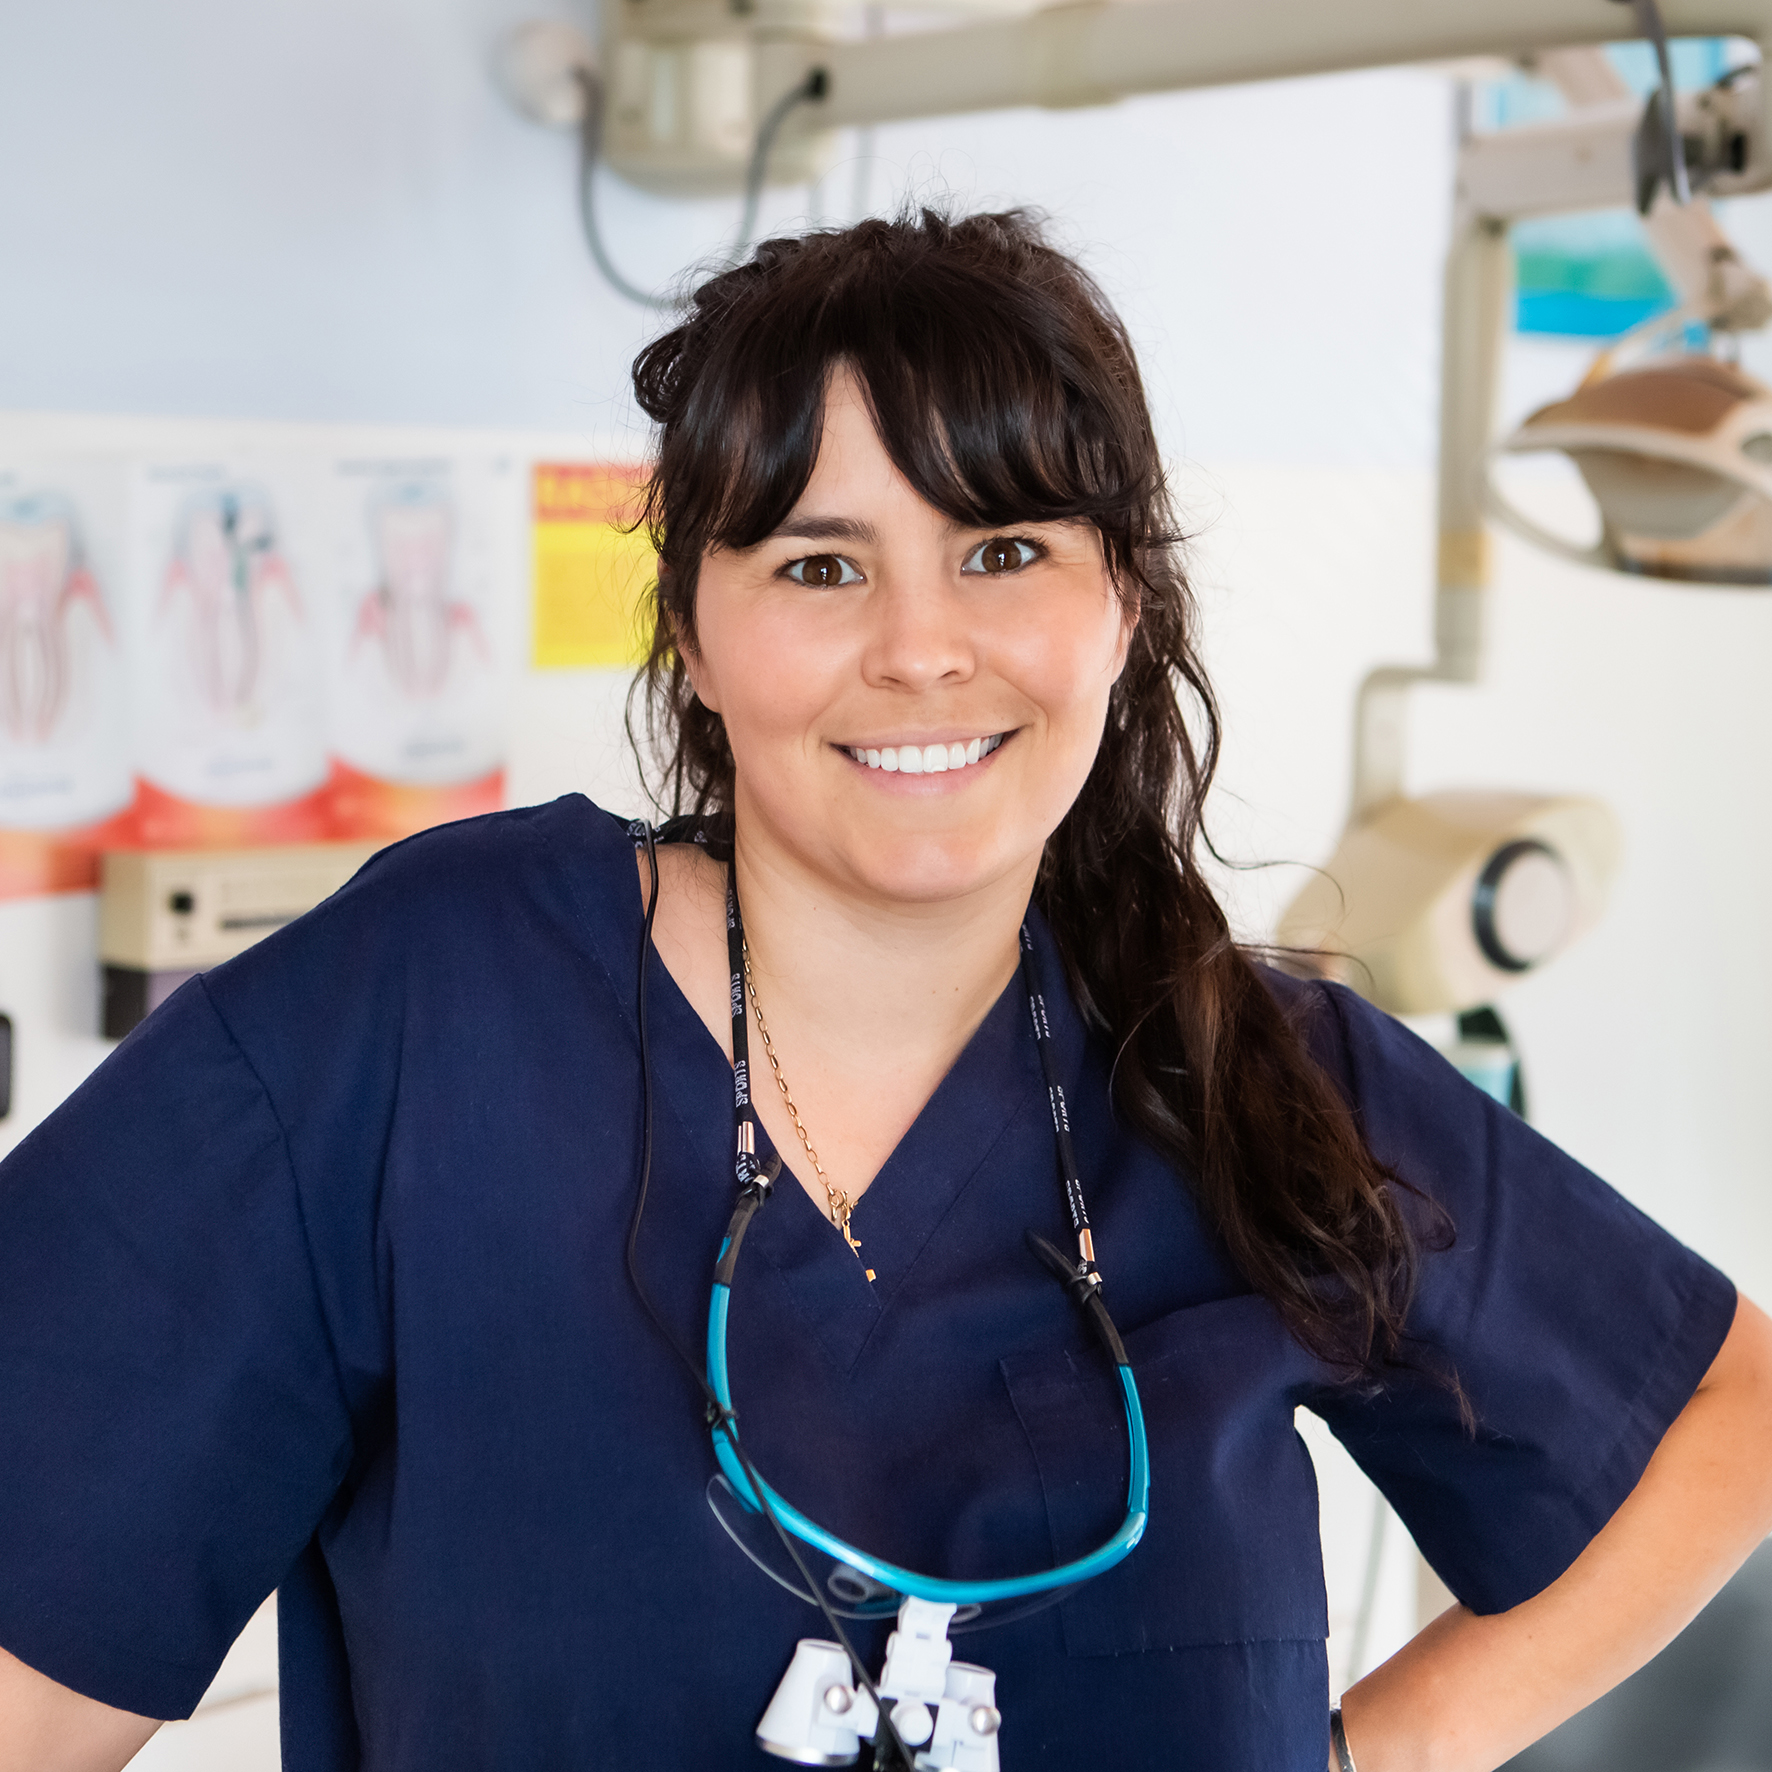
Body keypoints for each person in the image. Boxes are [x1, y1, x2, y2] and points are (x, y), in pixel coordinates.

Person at [2, 209, 1770, 1772]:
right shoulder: (419, 1019)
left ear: (1122, 609)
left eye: (1002, 552)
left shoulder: (1246, 1072)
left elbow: (1723, 1407)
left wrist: (1390, 1752)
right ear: (695, 637)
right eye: (820, 565)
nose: (922, 648)